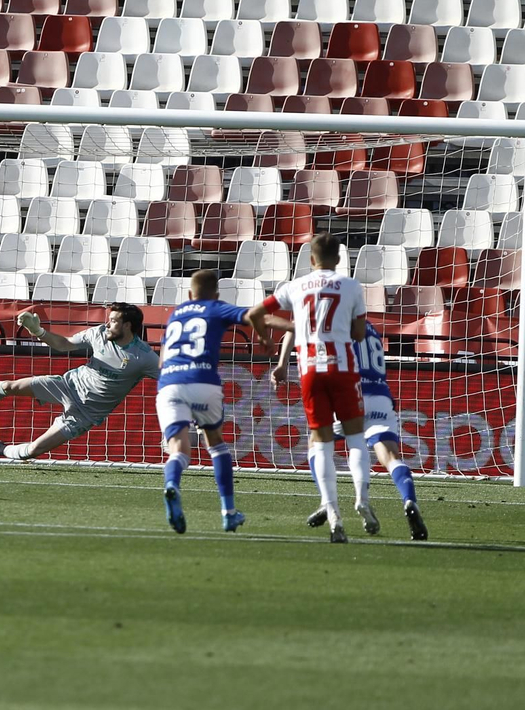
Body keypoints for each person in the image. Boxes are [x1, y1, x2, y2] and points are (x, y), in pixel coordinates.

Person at [249, 232, 368, 543]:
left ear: (311, 259)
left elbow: (254, 313)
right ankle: (362, 500)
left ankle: (332, 513)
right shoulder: (352, 286)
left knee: (321, 444)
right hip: (343, 368)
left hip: (310, 370)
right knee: (356, 438)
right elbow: (358, 334)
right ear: (339, 259)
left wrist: (267, 337)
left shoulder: (296, 286)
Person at [0, 303, 159, 463]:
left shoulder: (145, 357)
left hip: (85, 414)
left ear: (128, 326)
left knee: (33, 451)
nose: (107, 324)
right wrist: (38, 331)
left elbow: (170, 378)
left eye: (113, 321)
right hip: (67, 385)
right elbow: (64, 344)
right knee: (9, 386)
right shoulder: (98, 334)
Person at [283, 321, 430, 541]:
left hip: (350, 393)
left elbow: (295, 327)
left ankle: (327, 502)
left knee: (318, 443)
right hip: (380, 394)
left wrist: (284, 361)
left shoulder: (335, 321)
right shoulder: (369, 327)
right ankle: (409, 500)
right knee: (390, 455)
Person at [156, 270, 272, 534]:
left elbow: (162, 361)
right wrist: (268, 334)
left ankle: (172, 485)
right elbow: (251, 315)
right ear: (216, 294)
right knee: (217, 444)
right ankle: (229, 513)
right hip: (203, 381)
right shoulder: (216, 307)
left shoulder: (176, 313)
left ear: (189, 294)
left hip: (170, 384)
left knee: (178, 450)